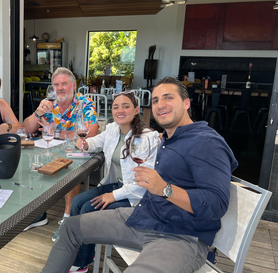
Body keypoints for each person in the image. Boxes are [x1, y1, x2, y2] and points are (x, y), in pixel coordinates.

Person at [42, 76, 238, 273]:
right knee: (70, 228)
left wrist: (164, 189)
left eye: (168, 98)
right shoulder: (168, 138)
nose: (160, 104)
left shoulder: (207, 142)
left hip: (180, 236)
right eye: (155, 100)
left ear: (186, 103)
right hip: (145, 217)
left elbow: (216, 204)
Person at [65, 92, 161, 272]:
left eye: (126, 106)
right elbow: (97, 142)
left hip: (137, 196)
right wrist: (85, 144)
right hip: (118, 185)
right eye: (116, 107)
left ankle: (82, 262)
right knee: (77, 203)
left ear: (136, 111)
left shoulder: (149, 137)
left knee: (87, 209)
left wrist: (114, 195)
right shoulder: (112, 129)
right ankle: (79, 251)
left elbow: (146, 180)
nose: (120, 110)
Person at [23, 67, 99, 237]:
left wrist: (57, 133)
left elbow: (91, 132)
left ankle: (67, 218)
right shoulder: (49, 103)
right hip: (48, 149)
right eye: (56, 84)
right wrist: (38, 112)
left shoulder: (84, 103)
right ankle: (38, 213)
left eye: (64, 83)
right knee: (31, 162)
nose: (60, 88)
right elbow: (27, 128)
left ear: (73, 86)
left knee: (70, 170)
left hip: (74, 153)